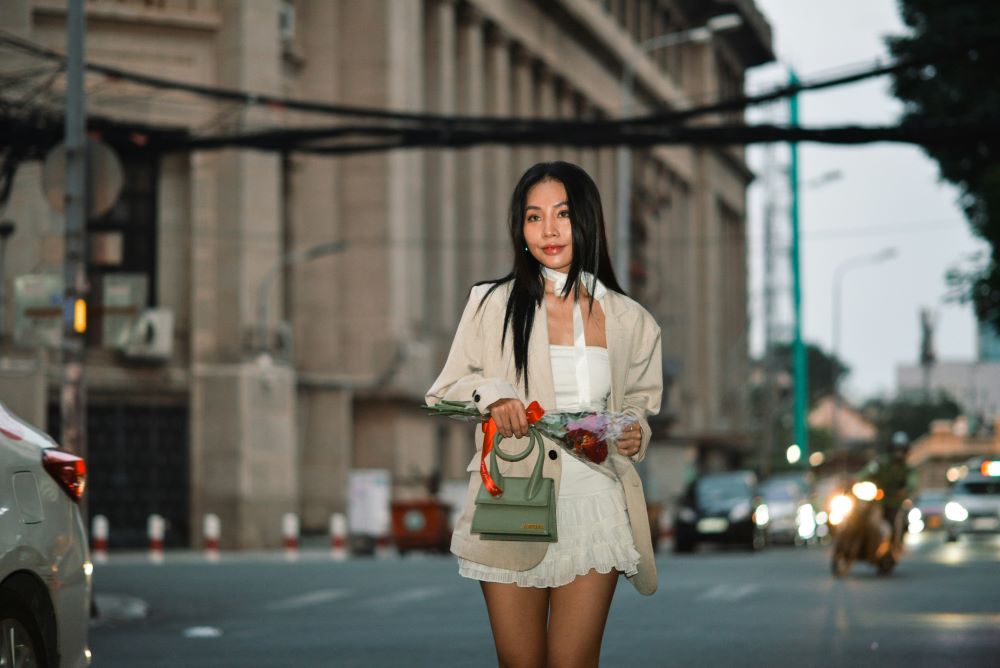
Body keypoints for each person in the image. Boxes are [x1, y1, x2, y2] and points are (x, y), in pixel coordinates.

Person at [426, 161, 662, 667]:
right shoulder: (492, 304)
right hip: (514, 499)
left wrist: (634, 431)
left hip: (596, 503)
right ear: (521, 228)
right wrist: (493, 394)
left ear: (588, 221)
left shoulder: (629, 319)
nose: (549, 230)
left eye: (562, 214)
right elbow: (445, 389)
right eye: (534, 217)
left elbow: (640, 403)